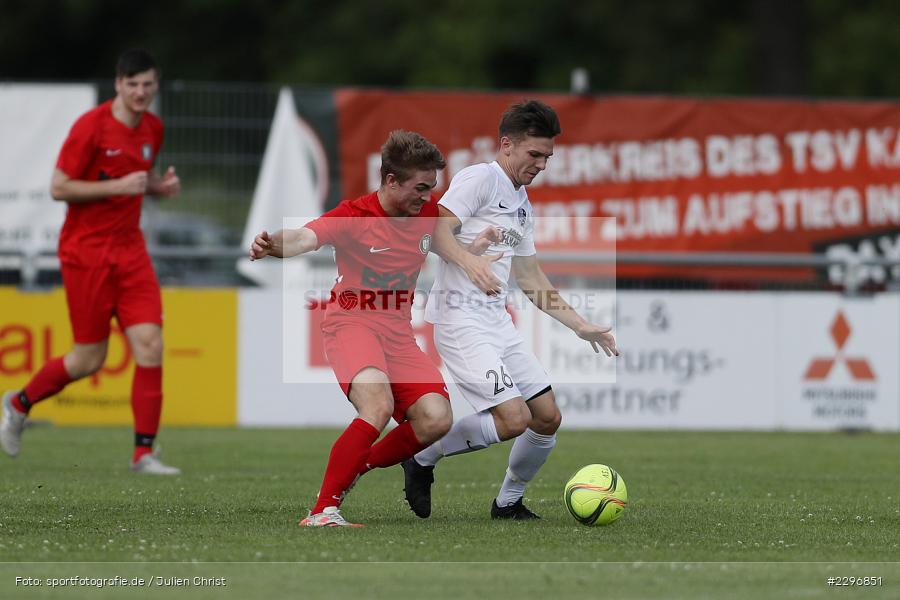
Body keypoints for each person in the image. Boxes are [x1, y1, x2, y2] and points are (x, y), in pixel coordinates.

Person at [249, 130, 496, 527]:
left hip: (398, 333)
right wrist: (273, 244)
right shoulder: (354, 216)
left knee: (436, 419)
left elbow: (449, 246)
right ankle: (322, 511)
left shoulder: (426, 215)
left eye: (431, 188)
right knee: (377, 406)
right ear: (390, 180)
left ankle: (355, 466)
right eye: (419, 187)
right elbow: (305, 237)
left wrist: (474, 252)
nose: (426, 196)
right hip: (352, 323)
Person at [402, 99, 619, 520]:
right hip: (459, 320)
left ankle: (508, 502)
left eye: (547, 157)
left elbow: (532, 279)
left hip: (496, 322)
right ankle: (422, 457)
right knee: (513, 417)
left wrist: (581, 326)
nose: (541, 164)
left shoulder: (521, 203)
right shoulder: (479, 179)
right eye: (534, 154)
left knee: (546, 417)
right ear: (507, 145)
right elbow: (433, 231)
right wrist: (472, 262)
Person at [0, 49, 182, 475]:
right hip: (86, 254)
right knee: (88, 359)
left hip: (131, 252)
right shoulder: (90, 127)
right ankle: (19, 403)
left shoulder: (153, 127)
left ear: (155, 87)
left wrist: (159, 187)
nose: (140, 92)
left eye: (148, 84)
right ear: (118, 84)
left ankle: (144, 454)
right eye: (132, 84)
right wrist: (120, 185)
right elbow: (59, 188)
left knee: (151, 345)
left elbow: (134, 183)